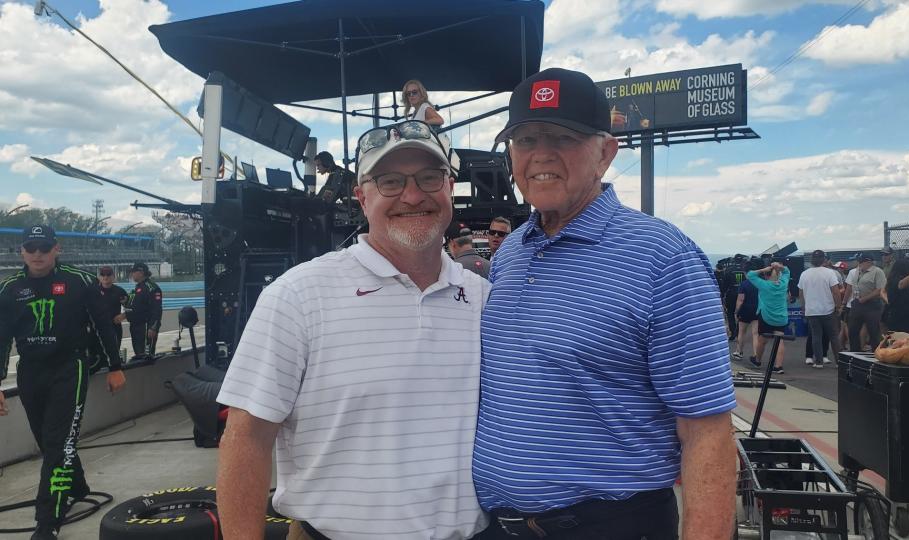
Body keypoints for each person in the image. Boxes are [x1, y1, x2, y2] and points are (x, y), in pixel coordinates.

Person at [475, 68, 736, 540]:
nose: (541, 154)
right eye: (525, 138)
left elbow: (708, 432)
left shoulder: (663, 257)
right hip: (501, 527)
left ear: (606, 153)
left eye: (563, 137)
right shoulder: (511, 252)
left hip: (610, 527)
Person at [216, 119, 489, 540]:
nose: (413, 195)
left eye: (429, 177)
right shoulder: (298, 296)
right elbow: (246, 436)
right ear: (362, 197)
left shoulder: (484, 299)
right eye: (390, 181)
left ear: (449, 186)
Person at [0, 225, 125, 540]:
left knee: (59, 443)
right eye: (32, 248)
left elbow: (101, 325)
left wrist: (115, 366)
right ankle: (78, 485)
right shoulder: (10, 289)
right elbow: (0, 337)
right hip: (30, 371)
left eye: (44, 247)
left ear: (57, 249)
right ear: (22, 252)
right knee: (47, 439)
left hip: (70, 367)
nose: (38, 254)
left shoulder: (79, 281)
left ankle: (48, 521)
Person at [798, 250, 843, 368]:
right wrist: (838, 306)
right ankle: (839, 362)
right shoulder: (829, 273)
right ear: (824, 260)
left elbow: (801, 294)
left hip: (812, 311)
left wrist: (803, 308)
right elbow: (836, 292)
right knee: (833, 336)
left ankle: (818, 362)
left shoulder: (804, 274)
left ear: (812, 260)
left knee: (816, 336)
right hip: (828, 310)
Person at [747, 262, 791, 374]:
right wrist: (779, 267)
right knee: (779, 340)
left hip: (767, 316)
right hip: (781, 317)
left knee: (762, 340)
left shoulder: (764, 285)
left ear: (766, 276)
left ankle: (757, 360)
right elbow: (787, 271)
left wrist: (763, 269)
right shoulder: (783, 284)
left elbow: (750, 275)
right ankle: (778, 366)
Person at [87, 266, 128, 372]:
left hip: (114, 328)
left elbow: (131, 308)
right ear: (99, 277)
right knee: (94, 354)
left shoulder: (120, 292)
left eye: (108, 275)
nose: (105, 277)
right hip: (96, 328)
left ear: (113, 277)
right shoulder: (92, 291)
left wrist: (123, 316)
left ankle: (112, 372)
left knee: (112, 352)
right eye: (103, 275)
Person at [843, 253, 887, 352]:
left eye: (861, 262)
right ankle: (855, 353)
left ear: (869, 262)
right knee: (853, 330)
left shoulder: (877, 272)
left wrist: (866, 298)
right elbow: (851, 286)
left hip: (872, 304)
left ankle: (876, 353)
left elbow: (880, 289)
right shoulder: (857, 271)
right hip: (857, 303)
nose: (859, 264)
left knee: (873, 331)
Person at [117, 262, 162, 359]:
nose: (131, 274)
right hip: (136, 327)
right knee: (139, 355)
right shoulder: (138, 287)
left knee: (146, 357)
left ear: (141, 272)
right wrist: (125, 303)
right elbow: (136, 307)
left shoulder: (152, 288)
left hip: (145, 327)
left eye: (133, 272)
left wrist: (153, 327)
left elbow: (157, 309)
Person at [886, 259, 909, 333]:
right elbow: (901, 284)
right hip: (899, 317)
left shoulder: (893, 279)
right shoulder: (895, 280)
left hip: (906, 316)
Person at [734, 274, 759, 364]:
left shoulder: (744, 284)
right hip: (757, 309)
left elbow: (740, 300)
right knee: (755, 334)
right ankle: (756, 355)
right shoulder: (759, 283)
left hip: (745, 310)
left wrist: (737, 311)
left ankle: (739, 351)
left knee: (741, 332)